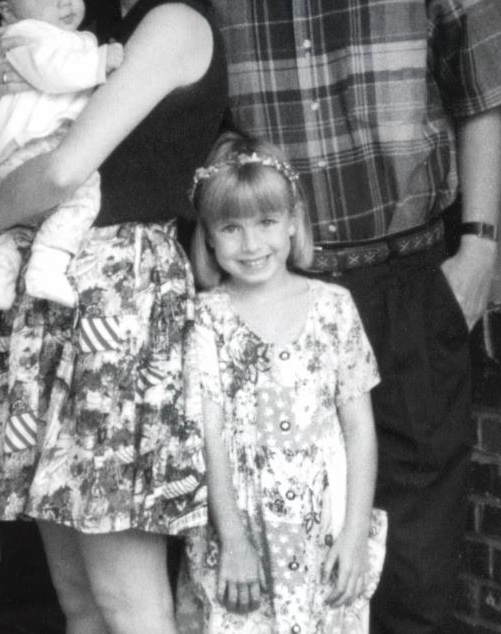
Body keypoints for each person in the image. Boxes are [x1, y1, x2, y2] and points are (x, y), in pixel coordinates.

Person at [191, 0, 501, 634]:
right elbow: (185, 140)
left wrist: (478, 248)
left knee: (417, 553)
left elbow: (485, 92)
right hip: (280, 296)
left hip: (410, 278)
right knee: (280, 546)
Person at [0, 0, 227, 634]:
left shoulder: (173, 22)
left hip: (118, 297)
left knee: (128, 602)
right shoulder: (83, 36)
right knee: (80, 598)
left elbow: (60, 172)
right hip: (63, 292)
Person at [176, 132, 386, 634]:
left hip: (323, 530)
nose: (251, 244)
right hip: (241, 533)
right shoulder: (206, 318)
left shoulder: (333, 308)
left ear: (294, 222)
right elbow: (210, 435)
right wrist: (232, 541)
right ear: (207, 236)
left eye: (267, 222)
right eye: (231, 227)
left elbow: (359, 430)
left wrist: (354, 533)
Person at [0, 0, 123, 312]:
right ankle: (49, 263)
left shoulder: (52, 35)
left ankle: (1, 268)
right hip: (37, 150)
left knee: (22, 226)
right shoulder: (29, 37)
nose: (64, 1)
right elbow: (52, 71)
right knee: (83, 192)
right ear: (8, 12)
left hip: (14, 163)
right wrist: (101, 62)